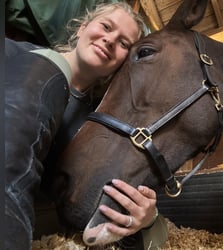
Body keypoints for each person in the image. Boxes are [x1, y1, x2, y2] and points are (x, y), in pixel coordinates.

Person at [5, 2, 167, 250]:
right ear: (82, 28)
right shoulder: (12, 54)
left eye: (124, 43)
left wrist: (147, 219)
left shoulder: (97, 126)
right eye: (105, 26)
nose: (110, 40)